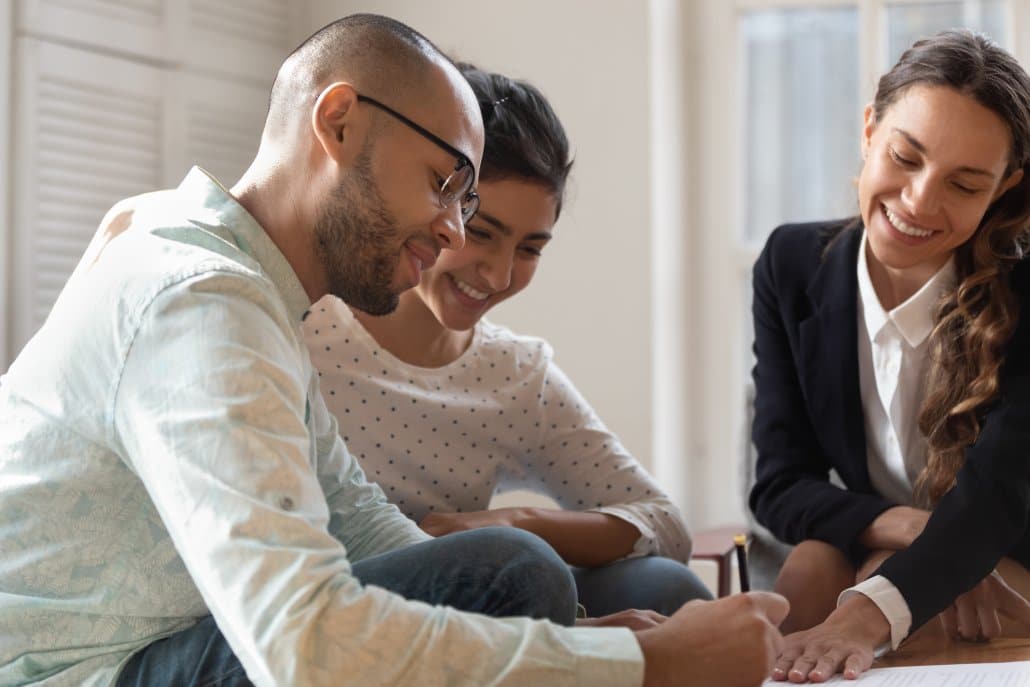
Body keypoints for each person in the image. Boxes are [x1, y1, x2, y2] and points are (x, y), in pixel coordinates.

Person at [0, 12, 788, 687]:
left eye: (466, 200)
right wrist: (638, 666)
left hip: (158, 644)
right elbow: (303, 642)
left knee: (518, 570)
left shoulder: (252, 289)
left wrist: (586, 636)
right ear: (338, 122)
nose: (452, 229)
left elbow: (360, 516)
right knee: (517, 577)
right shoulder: (203, 300)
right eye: (445, 184)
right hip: (84, 671)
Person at [301, 62, 710, 620]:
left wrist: (511, 523)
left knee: (661, 586)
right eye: (483, 232)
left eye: (530, 248)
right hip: (330, 616)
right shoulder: (304, 330)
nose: (497, 275)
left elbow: (663, 524)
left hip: (475, 609)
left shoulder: (512, 374)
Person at [749, 29, 1030, 682]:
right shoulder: (791, 264)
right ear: (870, 128)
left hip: (1011, 549)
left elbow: (994, 504)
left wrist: (867, 611)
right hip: (885, 538)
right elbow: (780, 482)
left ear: (1004, 187)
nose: (920, 201)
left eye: (964, 184)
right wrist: (907, 527)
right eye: (906, 156)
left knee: (873, 582)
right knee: (813, 564)